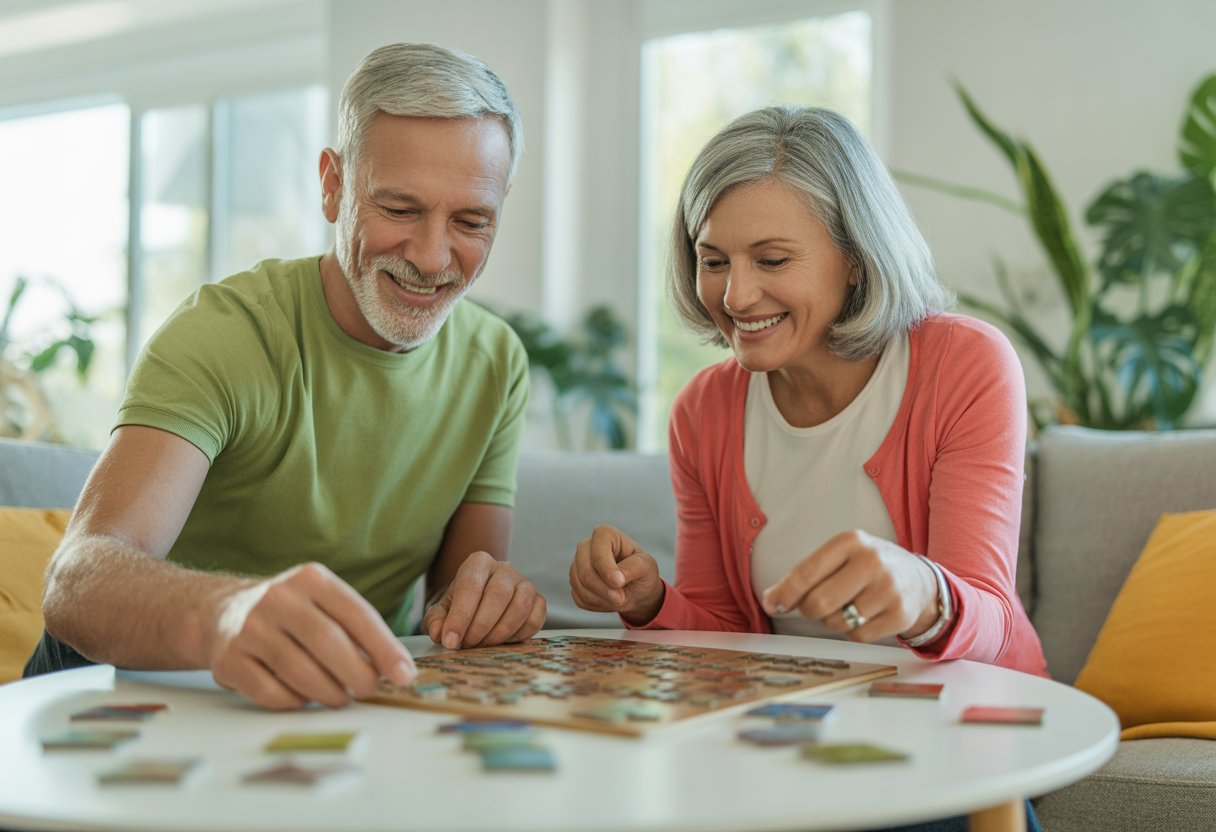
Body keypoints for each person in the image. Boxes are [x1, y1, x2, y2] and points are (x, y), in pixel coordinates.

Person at [26, 42, 546, 710]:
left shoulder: (497, 364)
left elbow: (457, 606)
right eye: (399, 210)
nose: (432, 255)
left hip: (328, 702)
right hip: (122, 688)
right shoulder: (226, 333)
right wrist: (228, 613)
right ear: (333, 186)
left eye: (471, 220)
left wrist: (491, 603)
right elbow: (76, 583)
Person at [568, 106, 1047, 829]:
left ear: (855, 256)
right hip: (787, 743)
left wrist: (924, 593)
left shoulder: (965, 365)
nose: (735, 297)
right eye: (713, 259)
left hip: (959, 736)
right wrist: (647, 601)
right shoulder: (705, 411)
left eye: (772, 259)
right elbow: (721, 635)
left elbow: (987, 617)